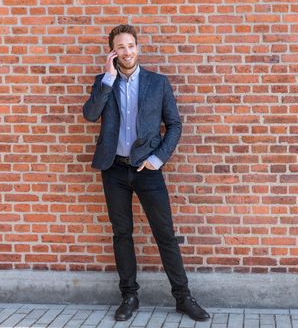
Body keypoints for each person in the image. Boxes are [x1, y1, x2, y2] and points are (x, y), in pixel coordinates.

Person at [83, 24, 209, 322]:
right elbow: (90, 115)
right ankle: (129, 296)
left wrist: (158, 158)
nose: (127, 52)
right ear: (113, 52)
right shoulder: (104, 81)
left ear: (137, 47)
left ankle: (183, 297)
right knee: (122, 234)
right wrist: (109, 80)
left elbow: (175, 125)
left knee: (164, 235)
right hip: (114, 169)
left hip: (147, 170)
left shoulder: (157, 83)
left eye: (131, 45)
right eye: (121, 47)